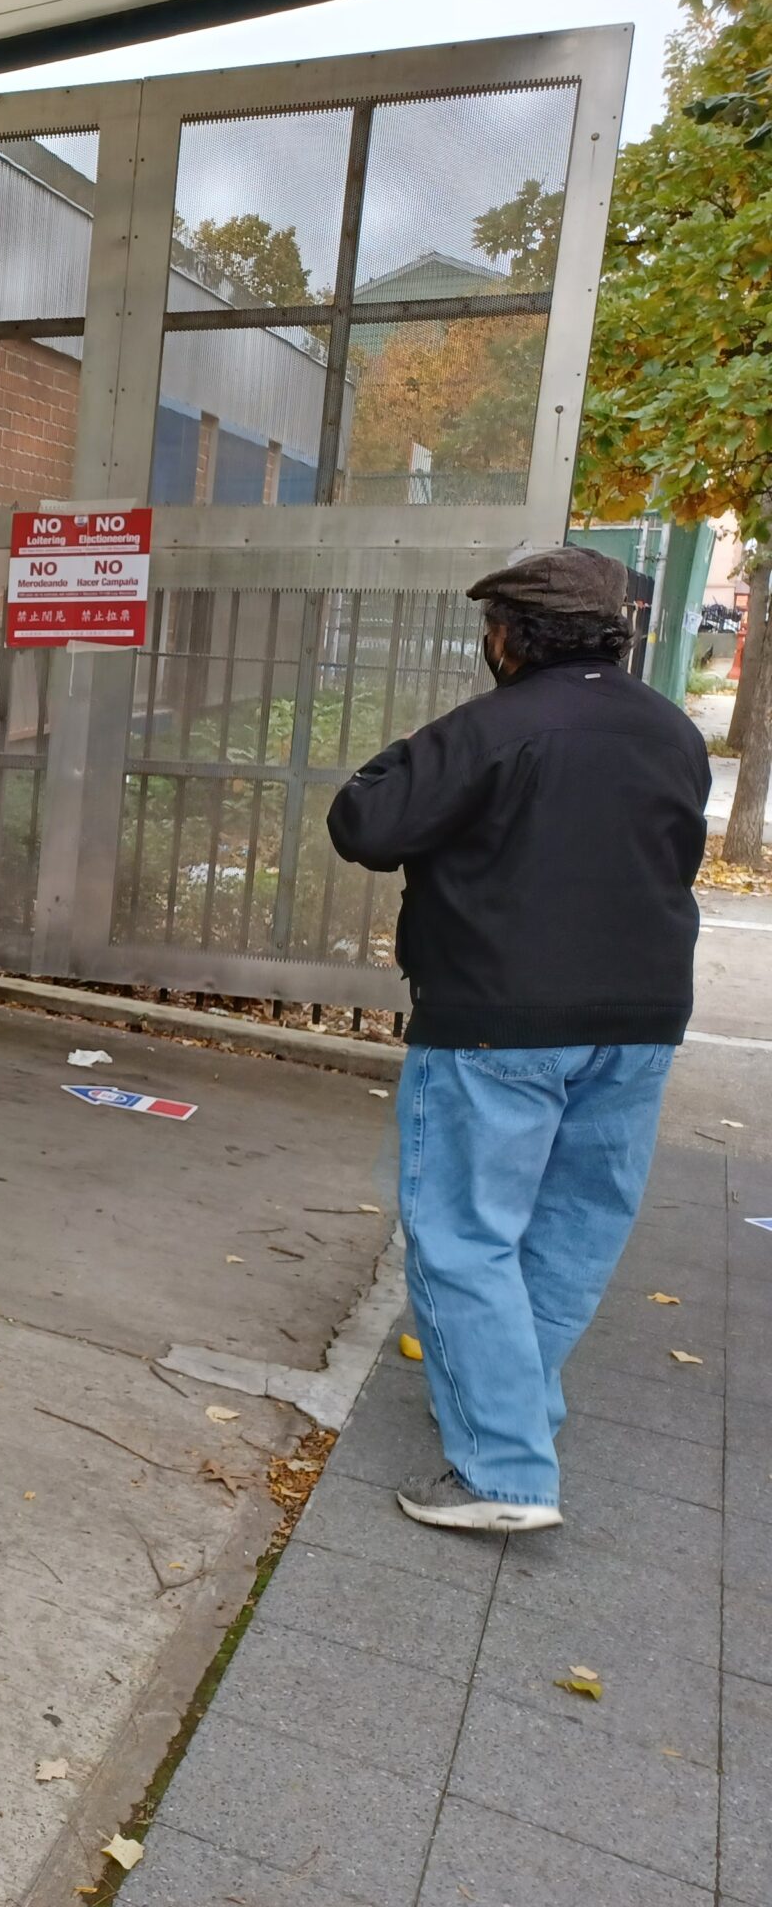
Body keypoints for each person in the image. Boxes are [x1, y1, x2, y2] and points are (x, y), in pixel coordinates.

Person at [327, 545, 710, 1534]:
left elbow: (366, 825)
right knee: (572, 1228)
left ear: (510, 637)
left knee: (461, 1233)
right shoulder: (670, 731)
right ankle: (518, 1412)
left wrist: (400, 753)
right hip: (639, 1021)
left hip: (496, 1019)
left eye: (486, 628)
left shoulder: (491, 727)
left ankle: (501, 1470)